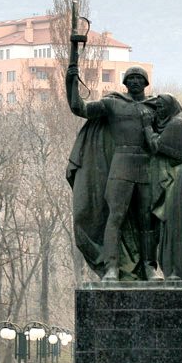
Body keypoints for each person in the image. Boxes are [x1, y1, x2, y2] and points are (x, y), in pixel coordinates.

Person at [66, 63, 159, 281]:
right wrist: (71, 82)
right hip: (120, 166)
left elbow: (176, 122)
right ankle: (112, 268)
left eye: (139, 78)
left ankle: (149, 267)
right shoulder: (113, 103)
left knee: (146, 220)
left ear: (146, 83)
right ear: (125, 83)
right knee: (115, 217)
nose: (135, 81)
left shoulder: (155, 106)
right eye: (131, 78)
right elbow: (80, 108)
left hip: (146, 167)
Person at [144, 93, 182, 280]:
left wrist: (146, 126)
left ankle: (178, 271)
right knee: (176, 224)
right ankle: (177, 271)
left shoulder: (177, 125)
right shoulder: (181, 123)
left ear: (171, 107)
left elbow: (155, 145)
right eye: (157, 107)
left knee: (178, 224)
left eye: (162, 107)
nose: (159, 110)